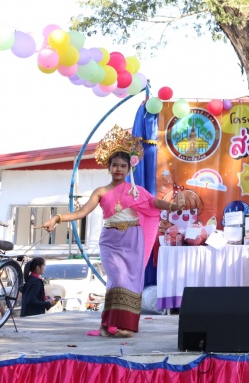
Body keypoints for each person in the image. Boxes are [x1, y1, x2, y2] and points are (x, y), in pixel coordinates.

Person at [38, 125, 183, 337]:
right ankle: (108, 325)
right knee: (117, 279)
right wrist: (57, 218)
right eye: (115, 165)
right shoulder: (100, 192)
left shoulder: (136, 191)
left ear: (129, 168)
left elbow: (154, 203)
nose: (119, 169)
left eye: (123, 166)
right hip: (111, 241)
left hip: (133, 239)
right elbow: (81, 212)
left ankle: (119, 326)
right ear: (109, 167)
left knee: (130, 281)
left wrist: (173, 206)